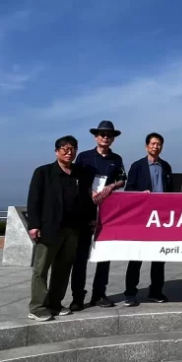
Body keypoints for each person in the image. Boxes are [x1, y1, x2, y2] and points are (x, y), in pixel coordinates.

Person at [27, 136, 94, 321]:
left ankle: (55, 303)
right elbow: (34, 200)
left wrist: (90, 219)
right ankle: (37, 306)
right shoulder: (44, 172)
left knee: (63, 268)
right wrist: (33, 225)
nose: (69, 152)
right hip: (49, 229)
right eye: (64, 148)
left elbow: (87, 200)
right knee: (41, 269)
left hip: (73, 230)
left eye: (72, 148)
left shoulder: (79, 174)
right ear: (56, 151)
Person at [70, 120, 126, 311]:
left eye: (109, 135)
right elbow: (75, 179)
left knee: (104, 256)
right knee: (80, 257)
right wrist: (89, 191)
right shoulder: (84, 157)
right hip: (85, 211)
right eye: (102, 134)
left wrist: (111, 186)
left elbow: (122, 179)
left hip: (107, 214)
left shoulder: (116, 159)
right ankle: (77, 297)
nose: (105, 137)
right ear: (96, 136)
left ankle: (99, 294)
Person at [123, 133, 173, 306]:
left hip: (161, 219)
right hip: (142, 219)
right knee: (136, 258)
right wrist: (139, 195)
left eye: (158, 144)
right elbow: (128, 191)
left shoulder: (166, 166)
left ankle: (156, 291)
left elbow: (172, 192)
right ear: (146, 147)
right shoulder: (137, 166)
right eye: (152, 144)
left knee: (159, 258)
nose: (155, 147)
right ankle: (130, 293)